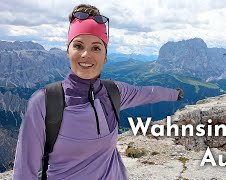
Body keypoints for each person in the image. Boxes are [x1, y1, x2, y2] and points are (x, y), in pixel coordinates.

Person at [12, 4, 183, 180]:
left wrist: (174, 94)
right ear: (68, 51)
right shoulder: (44, 102)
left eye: (96, 47)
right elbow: (24, 171)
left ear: (105, 55)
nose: (86, 54)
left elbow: (148, 93)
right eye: (78, 46)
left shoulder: (113, 92)